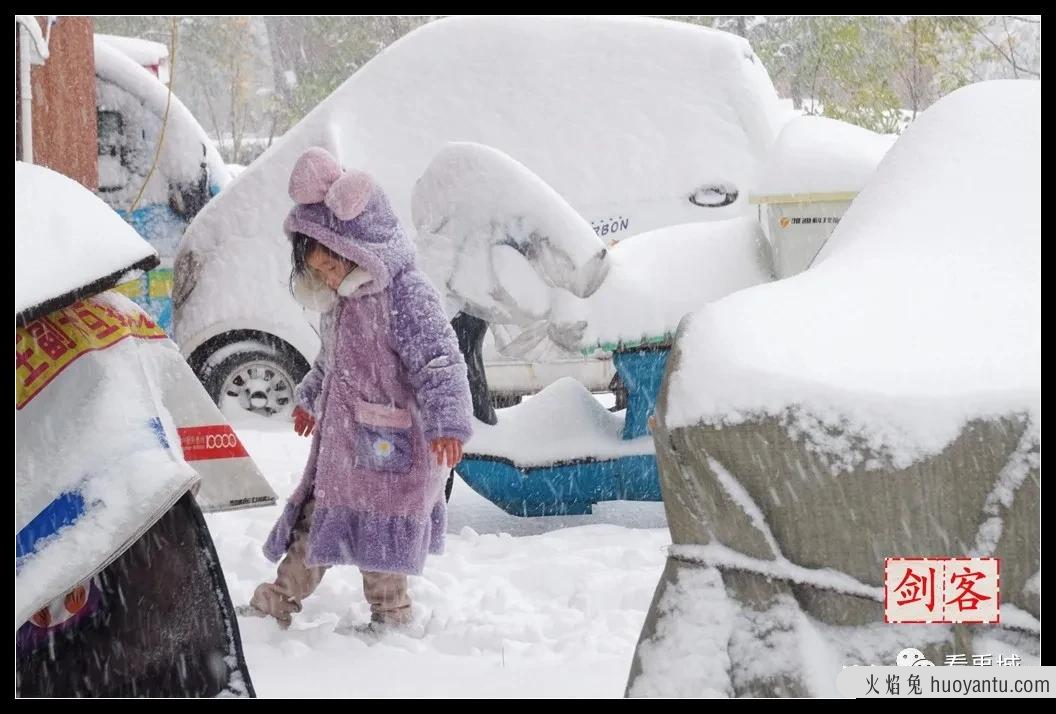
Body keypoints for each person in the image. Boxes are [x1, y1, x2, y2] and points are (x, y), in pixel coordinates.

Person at [249, 147, 473, 631]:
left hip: (391, 444)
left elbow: (439, 361)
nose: (329, 278)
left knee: (382, 544)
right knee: (314, 526)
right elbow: (330, 361)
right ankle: (276, 603)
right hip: (342, 450)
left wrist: (447, 423)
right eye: (320, 271)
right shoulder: (340, 303)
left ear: (358, 247)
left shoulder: (406, 295)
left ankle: (391, 618)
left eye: (334, 265)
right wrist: (310, 398)